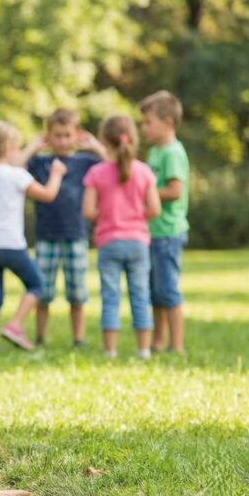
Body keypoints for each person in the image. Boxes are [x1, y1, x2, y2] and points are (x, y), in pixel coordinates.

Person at [0, 121, 66, 351]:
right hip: (11, 245)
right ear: (9, 148)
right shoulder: (18, 175)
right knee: (37, 286)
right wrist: (56, 174)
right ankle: (16, 325)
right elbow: (48, 195)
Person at [21, 109, 106, 347]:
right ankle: (40, 336)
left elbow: (116, 166)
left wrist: (96, 147)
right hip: (46, 234)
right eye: (56, 136)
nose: (62, 141)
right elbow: (15, 167)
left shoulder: (86, 162)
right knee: (43, 291)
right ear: (48, 136)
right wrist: (33, 146)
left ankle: (78, 338)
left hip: (76, 234)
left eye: (67, 135)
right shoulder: (39, 162)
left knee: (77, 293)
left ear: (76, 135)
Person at [83, 115, 161, 359]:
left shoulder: (97, 173)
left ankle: (110, 350)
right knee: (140, 294)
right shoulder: (144, 172)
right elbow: (155, 209)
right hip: (138, 242)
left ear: (105, 141)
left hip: (109, 243)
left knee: (110, 296)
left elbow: (87, 211)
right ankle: (144, 349)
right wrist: (136, 217)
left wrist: (106, 217)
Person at [140, 91, 190, 354]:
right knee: (154, 292)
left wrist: (142, 192)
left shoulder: (172, 153)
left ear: (167, 122)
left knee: (168, 290)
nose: (143, 128)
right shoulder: (154, 153)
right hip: (152, 231)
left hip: (169, 232)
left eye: (148, 122)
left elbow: (174, 191)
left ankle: (177, 344)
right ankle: (158, 341)